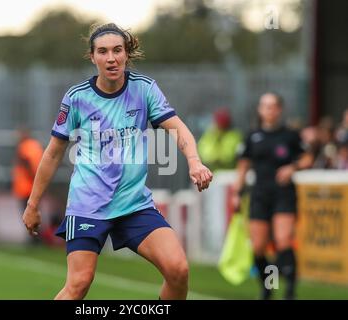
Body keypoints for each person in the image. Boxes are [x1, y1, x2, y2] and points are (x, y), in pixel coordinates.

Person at [22, 23, 213, 300]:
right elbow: (52, 152)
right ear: (92, 57)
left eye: (117, 50)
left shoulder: (144, 89)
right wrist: (32, 204)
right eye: (103, 51)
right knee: (79, 284)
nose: (111, 58)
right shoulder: (77, 98)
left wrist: (194, 161)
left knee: (178, 269)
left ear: (126, 54)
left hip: (134, 205)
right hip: (88, 206)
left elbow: (179, 129)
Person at [231, 93, 313, 300]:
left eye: (273, 106)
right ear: (260, 110)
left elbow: (307, 158)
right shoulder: (252, 136)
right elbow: (242, 166)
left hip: (284, 194)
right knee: (258, 248)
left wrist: (292, 167)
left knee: (283, 241)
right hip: (260, 195)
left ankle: (290, 291)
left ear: (279, 110)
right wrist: (237, 194)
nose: (269, 110)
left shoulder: (290, 135)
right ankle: (269, 286)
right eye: (265, 106)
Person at [12, 127, 43, 229]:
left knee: (28, 215)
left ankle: (34, 237)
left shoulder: (24, 146)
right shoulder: (36, 145)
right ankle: (37, 236)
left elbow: (26, 162)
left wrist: (34, 179)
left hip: (26, 187)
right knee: (36, 213)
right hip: (36, 186)